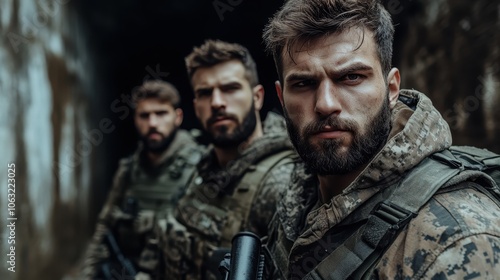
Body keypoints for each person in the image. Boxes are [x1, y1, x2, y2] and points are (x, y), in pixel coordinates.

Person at [262, 0, 500, 279]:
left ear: (391, 89)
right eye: (303, 83)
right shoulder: (298, 200)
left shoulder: (457, 243)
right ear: (281, 97)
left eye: (351, 77)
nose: (325, 104)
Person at [161, 39, 298, 280]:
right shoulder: (201, 168)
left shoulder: (283, 181)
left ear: (257, 97)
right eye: (205, 93)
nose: (217, 103)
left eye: (230, 88)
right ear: (195, 106)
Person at [78, 80, 204, 280]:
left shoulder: (201, 165)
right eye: (144, 116)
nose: (153, 123)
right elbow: (104, 227)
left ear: (177, 117)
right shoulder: (128, 169)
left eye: (161, 114)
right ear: (136, 120)